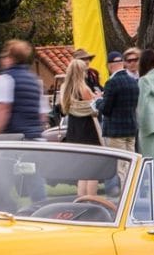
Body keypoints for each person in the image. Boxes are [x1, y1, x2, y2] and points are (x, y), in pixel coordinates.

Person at [0, 39, 47, 139]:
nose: (2, 59)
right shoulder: (36, 81)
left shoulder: (4, 79)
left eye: (4, 56)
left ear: (10, 58)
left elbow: (1, 113)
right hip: (36, 139)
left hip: (14, 140)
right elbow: (43, 116)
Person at [59, 57, 101, 195]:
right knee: (93, 170)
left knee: (82, 171)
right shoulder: (84, 89)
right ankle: (91, 198)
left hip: (74, 130)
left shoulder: (65, 89)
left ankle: (81, 198)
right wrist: (98, 98)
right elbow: (94, 109)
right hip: (87, 130)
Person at [96, 50, 139, 158]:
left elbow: (106, 109)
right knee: (131, 163)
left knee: (120, 164)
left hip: (116, 130)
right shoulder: (133, 81)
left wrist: (98, 100)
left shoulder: (112, 82)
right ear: (123, 64)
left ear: (109, 66)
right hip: (131, 128)